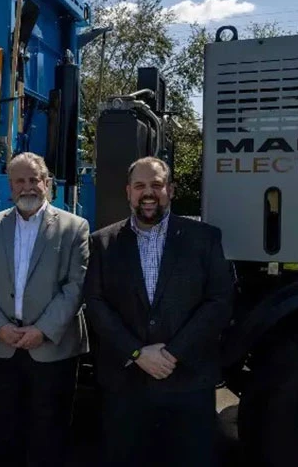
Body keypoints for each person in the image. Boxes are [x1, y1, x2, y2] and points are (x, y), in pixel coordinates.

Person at [83, 156, 234, 467]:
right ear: (128, 191)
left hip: (189, 383)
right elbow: (95, 304)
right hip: (125, 386)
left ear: (171, 190)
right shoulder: (103, 242)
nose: (148, 193)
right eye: (140, 186)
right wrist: (138, 353)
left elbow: (219, 301)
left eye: (156, 185)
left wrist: (173, 354)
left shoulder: (204, 238)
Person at [0, 151, 90, 467]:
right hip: (0, 346)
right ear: (10, 187)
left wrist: (43, 330)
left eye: (34, 179)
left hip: (52, 350)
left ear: (47, 183)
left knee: (49, 433)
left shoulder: (75, 228)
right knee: (2, 430)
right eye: (19, 181)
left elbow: (76, 286)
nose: (27, 187)